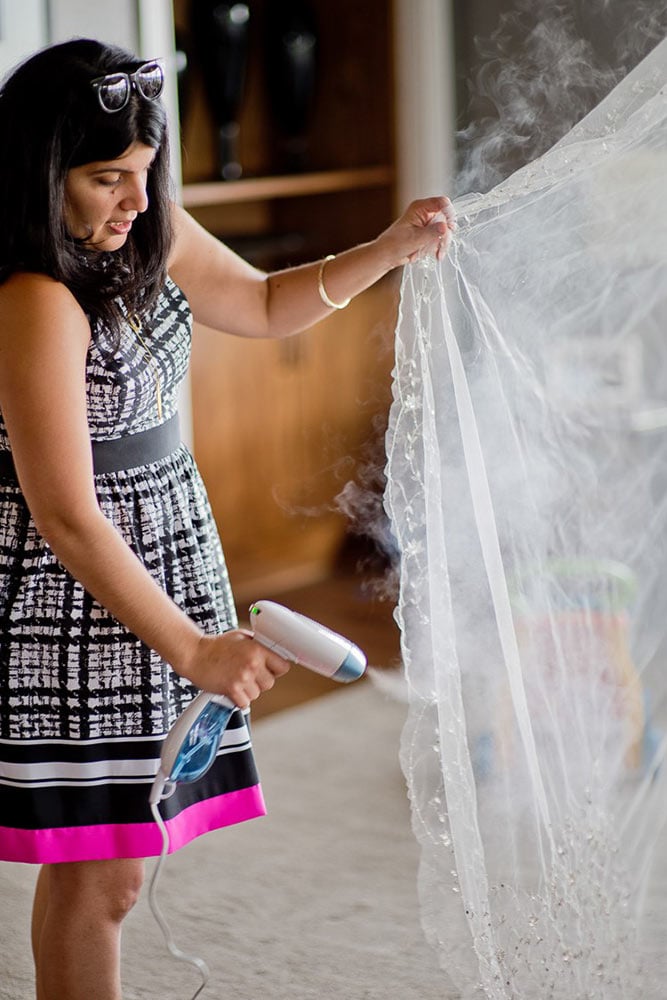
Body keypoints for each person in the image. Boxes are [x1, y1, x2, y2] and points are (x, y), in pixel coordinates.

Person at [0, 37, 455, 1000]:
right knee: (102, 867)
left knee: (116, 859)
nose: (135, 199)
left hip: (164, 546)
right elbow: (66, 515)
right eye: (104, 179)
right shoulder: (39, 299)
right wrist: (194, 648)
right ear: (41, 179)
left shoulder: (148, 228)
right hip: (84, 599)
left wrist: (389, 247)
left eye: (144, 172)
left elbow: (257, 301)